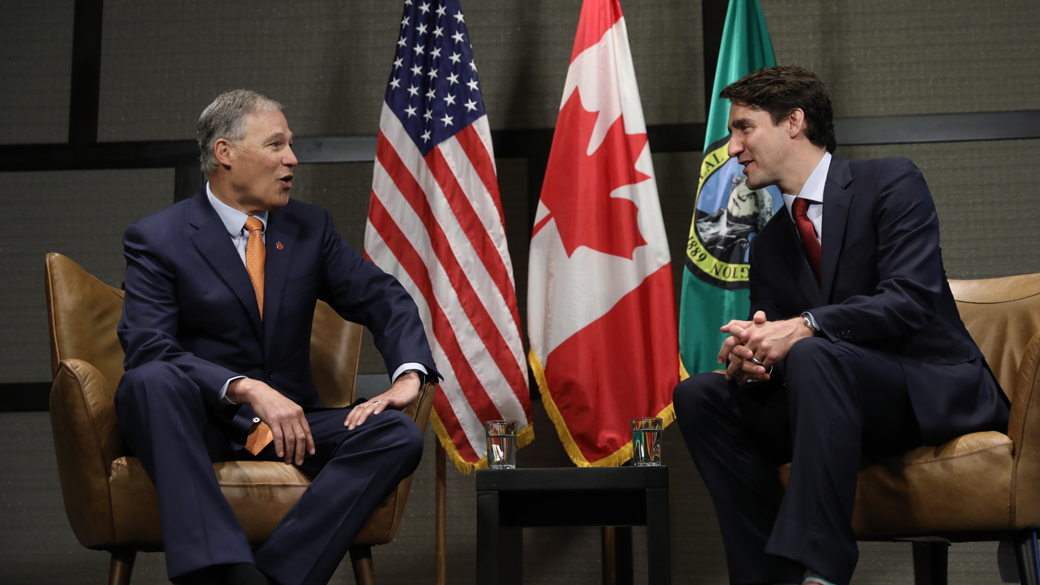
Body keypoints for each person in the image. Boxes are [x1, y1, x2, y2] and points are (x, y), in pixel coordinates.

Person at [672, 66, 1010, 585]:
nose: (733, 145)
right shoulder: (768, 246)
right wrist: (754, 360)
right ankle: (766, 575)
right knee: (699, 395)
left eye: (744, 127)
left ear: (794, 122)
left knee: (812, 351)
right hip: (830, 395)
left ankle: (821, 569)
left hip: (925, 385)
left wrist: (803, 326)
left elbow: (911, 300)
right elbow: (786, 359)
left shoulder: (891, 181)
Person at [114, 89, 438, 585]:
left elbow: (383, 297)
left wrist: (409, 375)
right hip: (201, 423)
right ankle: (219, 569)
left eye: (290, 145)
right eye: (275, 145)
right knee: (148, 379)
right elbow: (147, 345)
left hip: (293, 427)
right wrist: (245, 387)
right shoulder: (158, 238)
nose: (291, 159)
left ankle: (273, 577)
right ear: (225, 153)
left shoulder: (309, 228)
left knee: (396, 435)